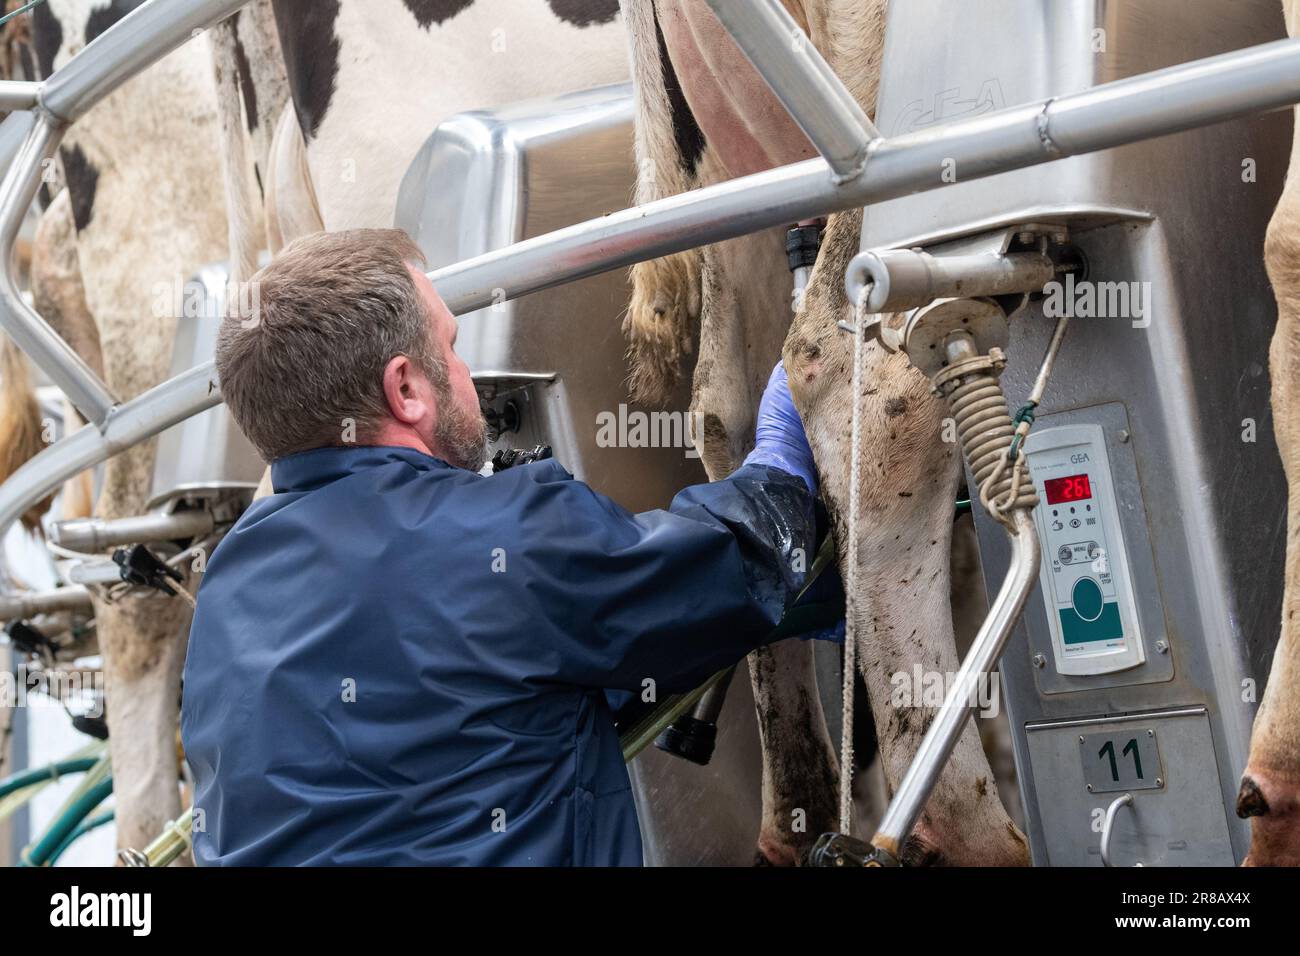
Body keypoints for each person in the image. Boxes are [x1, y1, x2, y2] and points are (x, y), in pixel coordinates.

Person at [181, 228, 823, 865]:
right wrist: (780, 463)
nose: (463, 373)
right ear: (405, 389)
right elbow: (735, 563)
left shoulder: (224, 588)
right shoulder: (509, 532)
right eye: (452, 348)